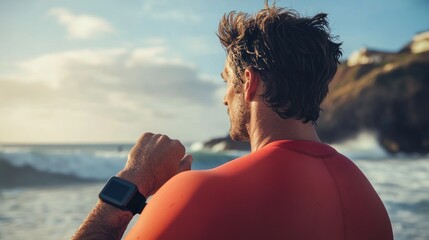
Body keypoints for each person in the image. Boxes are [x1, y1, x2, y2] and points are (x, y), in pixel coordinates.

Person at [72, 3, 393, 240]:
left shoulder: (200, 193)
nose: (225, 98)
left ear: (250, 82)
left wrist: (132, 183)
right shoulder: (368, 200)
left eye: (227, 81)